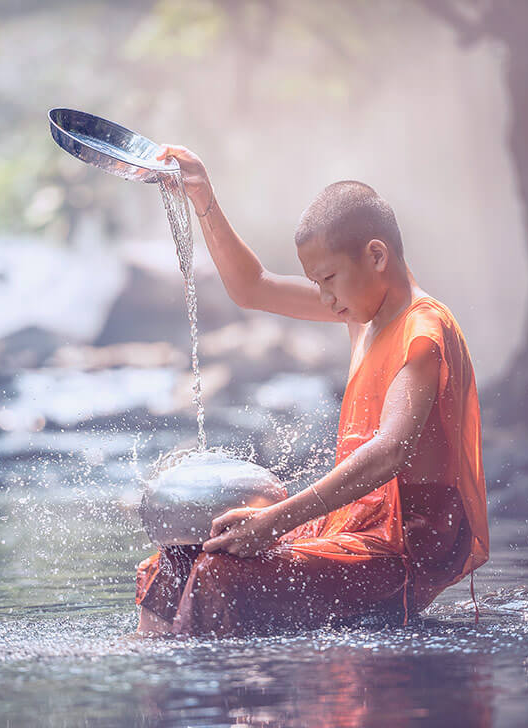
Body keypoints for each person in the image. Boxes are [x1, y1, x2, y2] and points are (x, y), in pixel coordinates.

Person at [135, 145, 489, 637]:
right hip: (349, 528)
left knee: (218, 573)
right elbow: (252, 287)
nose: (325, 299)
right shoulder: (362, 310)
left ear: (376, 255)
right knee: (175, 557)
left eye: (328, 279)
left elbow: (391, 451)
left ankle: (225, 703)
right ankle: (150, 676)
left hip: (400, 549)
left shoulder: (421, 329)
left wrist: (276, 521)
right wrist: (202, 197)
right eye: (315, 283)